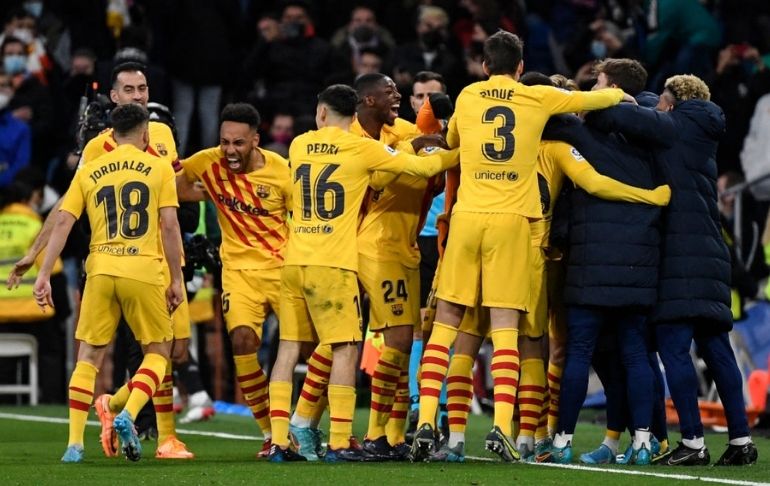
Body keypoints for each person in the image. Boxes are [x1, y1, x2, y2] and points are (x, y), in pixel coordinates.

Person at [426, 70, 671, 463]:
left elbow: (444, 158)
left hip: (468, 239)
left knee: (462, 340)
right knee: (532, 346)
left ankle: (452, 435)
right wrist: (650, 196)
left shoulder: (475, 131)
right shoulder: (558, 150)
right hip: (529, 256)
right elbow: (595, 183)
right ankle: (530, 434)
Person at [7, 61, 198, 459]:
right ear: (114, 98)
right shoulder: (99, 148)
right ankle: (149, 427)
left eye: (143, 87)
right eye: (129, 89)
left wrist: (41, 267)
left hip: (108, 265)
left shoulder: (158, 136)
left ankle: (93, 429)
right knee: (156, 352)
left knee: (165, 351)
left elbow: (65, 215)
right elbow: (168, 216)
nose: (138, 95)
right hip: (149, 265)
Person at [267, 84, 458, 463]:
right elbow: (415, 167)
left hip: (295, 258)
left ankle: (286, 435)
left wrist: (415, 140)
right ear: (359, 108)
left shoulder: (300, 144)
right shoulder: (363, 147)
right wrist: (466, 146)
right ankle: (348, 439)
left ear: (320, 114)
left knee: (293, 348)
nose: (404, 102)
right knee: (351, 346)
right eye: (396, 94)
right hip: (345, 255)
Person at [585, 74, 759, 466]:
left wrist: (605, 98)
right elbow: (648, 108)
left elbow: (625, 118)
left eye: (663, 102)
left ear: (674, 102)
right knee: (719, 352)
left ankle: (694, 444)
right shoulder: (703, 130)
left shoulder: (673, 126)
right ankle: (741, 441)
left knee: (674, 350)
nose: (659, 107)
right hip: (711, 256)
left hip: (679, 257)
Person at [176, 102, 292, 458]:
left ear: (256, 140)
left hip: (284, 271)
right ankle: (271, 433)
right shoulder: (206, 161)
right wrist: (206, 193)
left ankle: (305, 424)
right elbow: (174, 187)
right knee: (242, 341)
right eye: (225, 141)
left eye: (238, 143)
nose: (229, 150)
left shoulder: (283, 171)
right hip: (239, 274)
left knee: (308, 348)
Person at [0, 67, 31, 188]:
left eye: (4, 85)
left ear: (12, 92)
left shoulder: (21, 129)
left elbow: (20, 167)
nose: (0, 89)